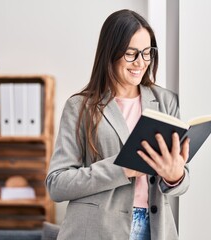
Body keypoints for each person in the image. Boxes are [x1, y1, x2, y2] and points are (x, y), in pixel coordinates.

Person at [46, 9, 190, 240]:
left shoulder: (166, 101)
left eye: (147, 53)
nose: (141, 62)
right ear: (110, 53)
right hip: (96, 230)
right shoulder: (80, 106)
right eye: (131, 54)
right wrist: (122, 168)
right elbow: (57, 184)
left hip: (154, 228)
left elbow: (181, 185)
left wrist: (175, 176)